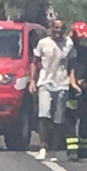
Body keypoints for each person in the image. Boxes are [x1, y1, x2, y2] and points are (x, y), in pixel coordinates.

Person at [30, 18, 75, 161]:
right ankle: (42, 146)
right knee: (44, 115)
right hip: (45, 83)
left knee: (58, 119)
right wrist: (32, 80)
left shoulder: (68, 44)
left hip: (61, 84)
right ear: (50, 28)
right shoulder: (43, 43)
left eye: (61, 28)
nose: (58, 31)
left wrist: (72, 80)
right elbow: (35, 62)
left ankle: (54, 150)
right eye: (56, 28)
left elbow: (71, 64)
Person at [66, 21, 87, 160]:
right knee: (70, 119)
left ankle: (84, 147)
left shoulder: (85, 52)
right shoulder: (66, 49)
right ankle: (72, 149)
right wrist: (73, 81)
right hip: (70, 90)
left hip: (85, 90)